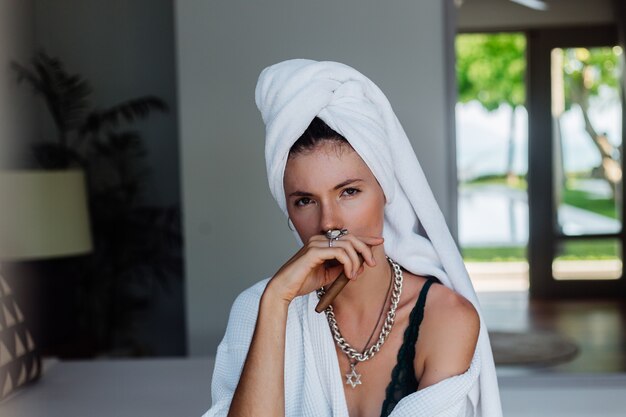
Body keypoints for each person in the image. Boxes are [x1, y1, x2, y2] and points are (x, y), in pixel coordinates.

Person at [203, 59, 503, 417]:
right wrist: (276, 302)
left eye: (348, 192)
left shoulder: (446, 318)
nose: (329, 223)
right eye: (304, 201)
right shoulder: (259, 307)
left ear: (385, 193)